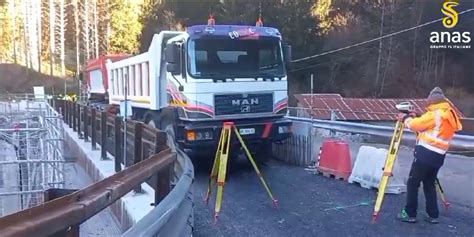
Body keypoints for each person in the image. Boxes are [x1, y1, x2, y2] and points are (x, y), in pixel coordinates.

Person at [397, 87, 462, 224]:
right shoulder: (448, 114)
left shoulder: (435, 114)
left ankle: (410, 213)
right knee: (429, 184)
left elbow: (415, 125)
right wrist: (419, 116)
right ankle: (433, 215)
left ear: (432, 101)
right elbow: (432, 126)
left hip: (425, 153)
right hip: (439, 156)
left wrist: (406, 118)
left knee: (413, 182)